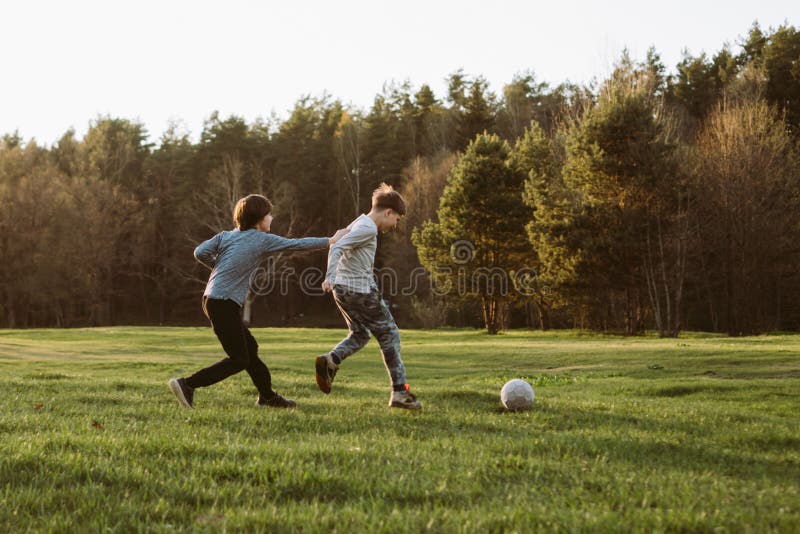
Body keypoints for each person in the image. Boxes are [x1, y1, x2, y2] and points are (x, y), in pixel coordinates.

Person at [169, 194, 349, 409]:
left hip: (213, 299)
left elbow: (200, 252)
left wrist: (222, 268)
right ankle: (187, 384)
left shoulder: (226, 236)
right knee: (239, 359)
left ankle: (267, 397)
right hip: (223, 302)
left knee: (250, 349)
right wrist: (330, 240)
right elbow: (295, 245)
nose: (272, 218)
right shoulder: (261, 239)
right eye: (269, 214)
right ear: (259, 219)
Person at [315, 183, 422, 410]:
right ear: (388, 212)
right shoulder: (368, 228)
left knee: (360, 334)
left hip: (343, 290)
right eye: (397, 220)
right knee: (390, 334)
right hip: (358, 290)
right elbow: (336, 248)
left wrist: (334, 280)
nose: (394, 226)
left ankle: (331, 360)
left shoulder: (359, 221)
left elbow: (338, 238)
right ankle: (400, 393)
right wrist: (329, 276)